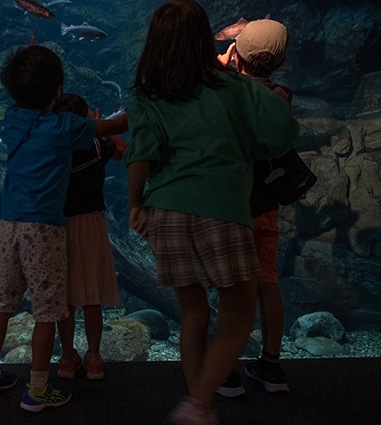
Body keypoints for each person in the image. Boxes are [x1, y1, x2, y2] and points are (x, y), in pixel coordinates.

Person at [122, 1, 297, 424]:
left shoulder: (149, 93)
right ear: (206, 39)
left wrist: (136, 205)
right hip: (221, 209)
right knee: (238, 319)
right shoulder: (236, 86)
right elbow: (281, 134)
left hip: (166, 211)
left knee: (194, 315)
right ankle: (198, 403)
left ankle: (198, 400)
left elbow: (140, 155)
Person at [0, 44, 127, 413]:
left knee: (1, 304)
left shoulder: (12, 118)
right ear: (58, 89)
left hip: (8, 226)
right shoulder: (64, 127)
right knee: (47, 310)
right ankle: (38, 389)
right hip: (43, 230)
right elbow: (114, 127)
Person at [215, 19, 293, 397]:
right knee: (267, 279)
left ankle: (227, 372)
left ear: (238, 54)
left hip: (232, 205)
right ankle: (271, 366)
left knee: (231, 287)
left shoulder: (228, 90)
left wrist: (219, 64)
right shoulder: (282, 94)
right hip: (267, 205)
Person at [52, 94, 127, 381]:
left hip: (61, 225)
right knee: (91, 297)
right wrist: (99, 126)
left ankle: (68, 357)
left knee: (66, 297)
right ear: (84, 119)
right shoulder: (97, 145)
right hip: (92, 224)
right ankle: (94, 358)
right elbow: (122, 150)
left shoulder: (55, 148)